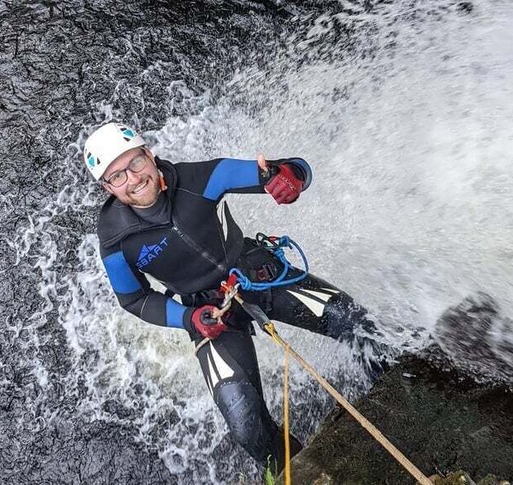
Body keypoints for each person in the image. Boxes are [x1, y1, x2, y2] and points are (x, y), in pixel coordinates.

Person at [83, 122, 375, 472]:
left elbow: (296, 169)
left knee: (353, 321)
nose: (133, 179)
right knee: (245, 423)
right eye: (118, 177)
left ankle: (395, 391)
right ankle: (295, 471)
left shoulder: (199, 179)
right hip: (206, 314)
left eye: (135, 163)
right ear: (107, 188)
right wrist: (187, 319)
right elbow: (133, 299)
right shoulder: (115, 240)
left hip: (255, 273)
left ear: (150, 155)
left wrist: (286, 178)